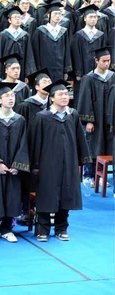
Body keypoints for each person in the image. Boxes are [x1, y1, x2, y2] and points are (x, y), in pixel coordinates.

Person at [29, 80, 91, 242]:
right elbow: (35, 143)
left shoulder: (73, 115)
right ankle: (42, 230)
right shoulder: (42, 117)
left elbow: (79, 138)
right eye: (61, 94)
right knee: (46, 195)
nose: (65, 97)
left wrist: (81, 159)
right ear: (52, 98)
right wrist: (35, 165)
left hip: (68, 162)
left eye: (66, 94)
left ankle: (61, 228)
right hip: (47, 163)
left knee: (66, 195)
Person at [0, 83, 29, 244]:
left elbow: (24, 144)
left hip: (14, 167)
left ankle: (7, 229)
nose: (11, 98)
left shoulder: (20, 120)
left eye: (12, 95)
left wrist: (18, 164)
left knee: (12, 196)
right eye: (7, 96)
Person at [76, 47, 115, 187]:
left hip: (110, 118)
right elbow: (85, 100)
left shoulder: (112, 76)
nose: (107, 64)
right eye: (104, 61)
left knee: (109, 144)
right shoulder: (89, 78)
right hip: (96, 118)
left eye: (109, 61)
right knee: (93, 145)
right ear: (96, 61)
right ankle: (90, 175)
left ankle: (103, 176)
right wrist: (88, 121)